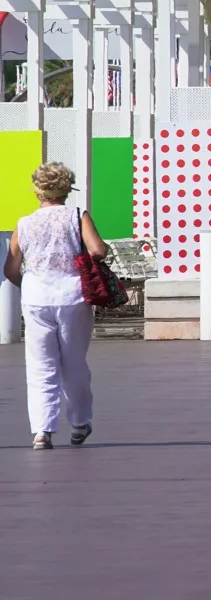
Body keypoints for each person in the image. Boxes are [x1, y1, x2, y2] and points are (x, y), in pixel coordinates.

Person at [6, 163, 104, 448]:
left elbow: (11, 269)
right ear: (66, 189)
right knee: (74, 363)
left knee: (40, 366)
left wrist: (31, 284)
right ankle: (79, 422)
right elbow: (97, 250)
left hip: (36, 298)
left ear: (38, 192)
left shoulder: (24, 223)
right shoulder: (76, 215)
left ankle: (41, 430)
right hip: (72, 296)